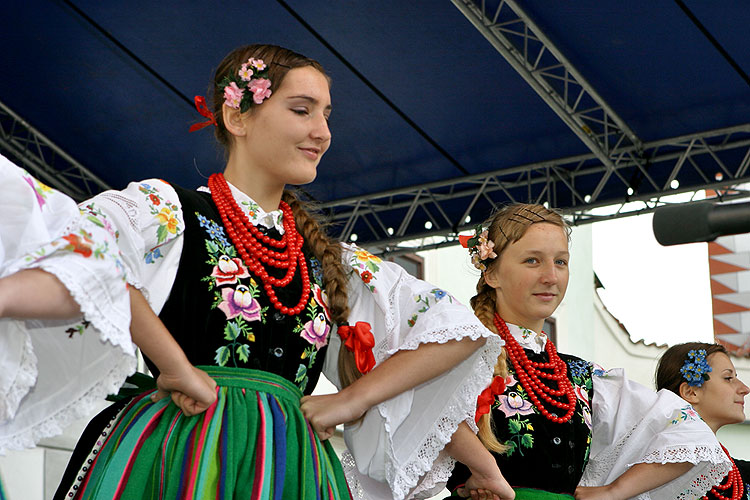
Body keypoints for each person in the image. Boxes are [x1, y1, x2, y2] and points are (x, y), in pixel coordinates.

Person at [53, 44, 511, 500]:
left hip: (290, 466)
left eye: (327, 115)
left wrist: (352, 399)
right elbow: (76, 248)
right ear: (237, 119)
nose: (322, 132)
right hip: (183, 447)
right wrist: (176, 368)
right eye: (302, 110)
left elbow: (457, 331)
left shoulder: (326, 260)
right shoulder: (172, 211)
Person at [445, 203, 730, 500]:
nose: (551, 277)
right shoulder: (461, 353)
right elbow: (420, 413)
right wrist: (483, 470)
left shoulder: (582, 376)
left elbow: (688, 431)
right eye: (532, 261)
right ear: (492, 274)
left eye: (560, 262)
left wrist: (614, 490)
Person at [656, 342, 750, 500]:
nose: (745, 389)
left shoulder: (741, 474)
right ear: (690, 392)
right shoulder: (655, 472)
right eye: (728, 378)